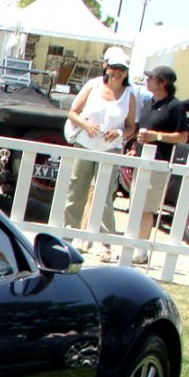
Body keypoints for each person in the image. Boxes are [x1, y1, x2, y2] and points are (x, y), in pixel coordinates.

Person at [63, 47, 137, 256]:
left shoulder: (129, 95)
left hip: (110, 150)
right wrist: (86, 125)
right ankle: (67, 236)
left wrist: (120, 132)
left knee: (105, 194)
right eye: (113, 67)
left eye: (121, 68)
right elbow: (72, 112)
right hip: (85, 145)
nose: (117, 72)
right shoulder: (93, 85)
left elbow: (132, 126)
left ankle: (104, 242)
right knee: (76, 190)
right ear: (106, 66)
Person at [117, 64, 189, 263]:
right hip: (142, 160)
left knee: (146, 207)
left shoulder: (175, 106)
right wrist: (134, 148)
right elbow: (142, 130)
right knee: (134, 204)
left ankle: (140, 251)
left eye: (151, 78)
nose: (147, 80)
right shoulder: (149, 103)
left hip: (158, 162)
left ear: (163, 82)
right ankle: (130, 246)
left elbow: (182, 136)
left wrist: (156, 136)